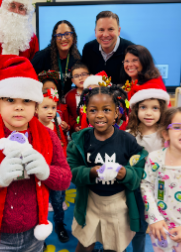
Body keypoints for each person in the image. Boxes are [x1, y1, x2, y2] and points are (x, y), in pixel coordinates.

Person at [0, 55, 72, 252]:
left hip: (34, 232)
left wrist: (46, 172)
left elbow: (65, 179)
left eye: (26, 100)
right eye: (10, 100)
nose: (19, 107)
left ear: (35, 105)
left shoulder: (49, 138)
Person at [68, 85, 147, 252]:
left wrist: (126, 173)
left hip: (117, 204)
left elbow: (141, 168)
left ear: (116, 113)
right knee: (85, 242)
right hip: (89, 200)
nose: (100, 115)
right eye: (93, 110)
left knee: (113, 245)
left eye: (106, 109)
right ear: (86, 112)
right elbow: (71, 171)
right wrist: (91, 171)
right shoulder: (80, 140)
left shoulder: (127, 140)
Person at [140, 107, 181, 251]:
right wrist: (155, 218)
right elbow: (146, 186)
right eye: (177, 127)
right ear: (165, 134)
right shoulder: (155, 159)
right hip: (161, 230)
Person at [124, 68, 170, 252]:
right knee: (139, 228)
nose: (148, 113)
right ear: (136, 110)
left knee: (163, 225)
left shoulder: (165, 136)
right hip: (136, 188)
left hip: (161, 188)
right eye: (143, 107)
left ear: (162, 110)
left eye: (155, 108)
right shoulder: (129, 135)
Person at [35, 88, 70, 243]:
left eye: (53, 107)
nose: (50, 111)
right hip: (38, 174)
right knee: (39, 204)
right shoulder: (33, 127)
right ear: (36, 108)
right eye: (45, 107)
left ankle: (59, 225)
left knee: (57, 201)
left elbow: (63, 146)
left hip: (56, 172)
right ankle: (39, 233)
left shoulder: (56, 125)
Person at [81, 11, 136, 85]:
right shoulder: (88, 49)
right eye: (101, 30)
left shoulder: (131, 50)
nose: (105, 35)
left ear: (118, 31)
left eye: (110, 29)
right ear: (95, 32)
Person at [32, 20, 81, 96]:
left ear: (73, 37)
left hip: (66, 100)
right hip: (45, 102)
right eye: (59, 35)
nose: (63, 38)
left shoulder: (76, 57)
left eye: (67, 34)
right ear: (54, 39)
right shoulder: (42, 56)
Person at [64, 63, 90, 132]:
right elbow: (69, 115)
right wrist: (75, 125)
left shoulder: (94, 91)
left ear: (89, 76)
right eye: (76, 76)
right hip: (77, 131)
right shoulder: (69, 96)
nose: (80, 78)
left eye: (83, 74)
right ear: (72, 80)